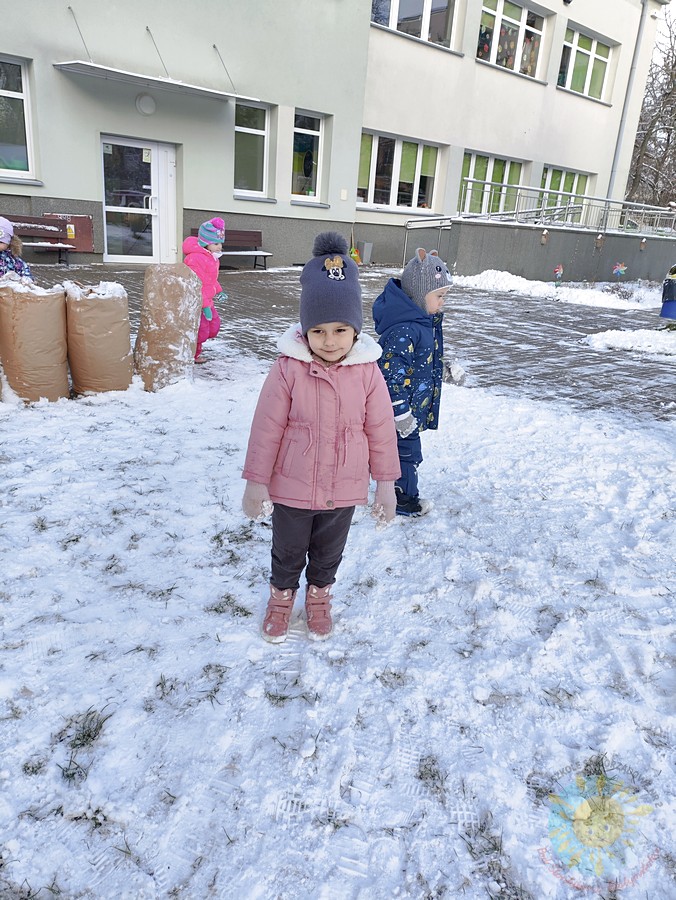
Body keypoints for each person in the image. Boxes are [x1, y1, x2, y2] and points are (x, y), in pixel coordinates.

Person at [241, 231, 400, 643]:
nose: (330, 341)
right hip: (293, 488)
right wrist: (256, 482)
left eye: (341, 330)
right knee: (288, 552)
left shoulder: (367, 372)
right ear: (305, 330)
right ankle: (281, 598)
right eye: (319, 331)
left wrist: (386, 486)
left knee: (328, 554)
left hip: (343, 490)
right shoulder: (287, 369)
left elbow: (381, 431)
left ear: (356, 331)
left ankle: (318, 597)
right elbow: (266, 427)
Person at [372, 247, 452, 517]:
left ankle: (398, 489)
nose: (442, 302)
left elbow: (422, 364)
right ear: (419, 294)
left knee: (405, 452)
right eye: (439, 296)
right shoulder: (404, 330)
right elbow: (389, 375)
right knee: (406, 454)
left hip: (411, 409)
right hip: (400, 413)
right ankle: (402, 498)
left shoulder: (420, 323)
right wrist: (400, 413)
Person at [182, 217, 226, 362]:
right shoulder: (195, 259)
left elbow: (210, 280)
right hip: (198, 303)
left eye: (220, 243)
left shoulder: (212, 258)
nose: (219, 247)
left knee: (213, 326)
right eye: (216, 243)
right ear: (206, 243)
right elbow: (197, 284)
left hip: (208, 300)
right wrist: (204, 305)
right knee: (200, 330)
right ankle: (192, 355)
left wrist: (219, 291)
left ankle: (195, 352)